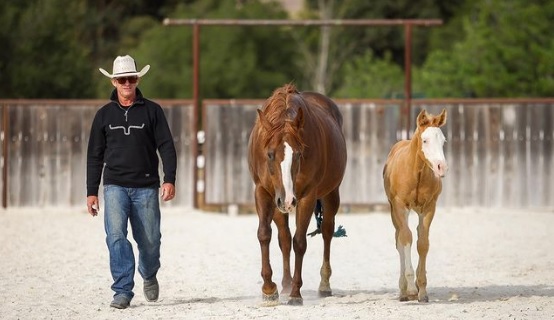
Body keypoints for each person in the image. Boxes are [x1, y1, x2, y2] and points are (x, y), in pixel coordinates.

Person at [86, 55, 177, 309]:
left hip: (147, 186)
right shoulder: (103, 116)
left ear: (137, 80)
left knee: (150, 240)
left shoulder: (153, 111)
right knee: (115, 236)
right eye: (122, 79)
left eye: (131, 78)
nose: (127, 83)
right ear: (114, 82)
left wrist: (169, 179)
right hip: (114, 185)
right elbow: (94, 154)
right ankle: (122, 290)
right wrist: (91, 192)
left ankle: (149, 273)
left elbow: (167, 146)